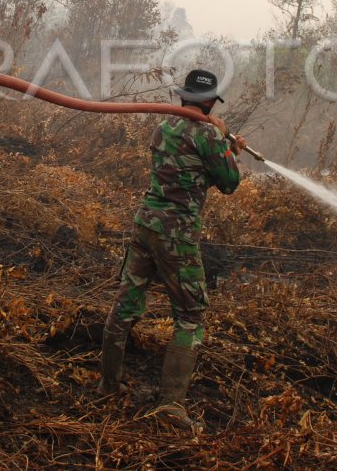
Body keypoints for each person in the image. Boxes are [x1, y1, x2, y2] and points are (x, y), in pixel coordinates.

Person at [97, 68, 245, 432]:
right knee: (192, 315)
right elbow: (229, 183)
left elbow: (186, 171)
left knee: (126, 302)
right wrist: (228, 147)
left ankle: (106, 386)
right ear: (209, 102)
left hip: (146, 225)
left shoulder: (164, 129)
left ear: (183, 97)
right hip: (176, 236)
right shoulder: (209, 134)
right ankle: (170, 408)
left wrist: (222, 144)